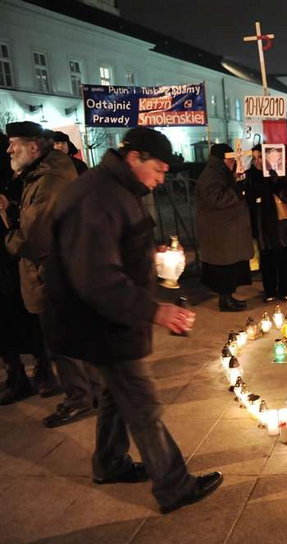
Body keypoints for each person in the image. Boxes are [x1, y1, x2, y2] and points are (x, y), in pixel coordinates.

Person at [44, 127, 223, 514]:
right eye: (158, 170)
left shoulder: (115, 189)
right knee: (142, 404)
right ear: (133, 158)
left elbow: (115, 246)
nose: (161, 180)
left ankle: (110, 463)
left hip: (104, 319)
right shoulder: (98, 197)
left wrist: (145, 252)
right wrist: (156, 310)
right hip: (99, 321)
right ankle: (175, 487)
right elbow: (96, 276)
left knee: (115, 393)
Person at [3, 121, 103, 425]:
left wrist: (8, 231)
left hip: (52, 275)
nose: (9, 150)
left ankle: (79, 399)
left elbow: (33, 237)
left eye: (14, 144)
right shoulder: (45, 174)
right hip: (58, 272)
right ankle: (94, 393)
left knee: (61, 342)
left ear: (33, 147)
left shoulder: (49, 180)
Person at [0, 132, 52, 405]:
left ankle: (42, 369)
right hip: (9, 248)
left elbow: (27, 206)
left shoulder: (11, 160)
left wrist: (9, 210)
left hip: (14, 252)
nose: (10, 149)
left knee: (26, 315)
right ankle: (14, 373)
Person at [196, 143, 253, 311]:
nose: (234, 162)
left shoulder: (220, 172)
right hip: (220, 231)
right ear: (223, 159)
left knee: (230, 266)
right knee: (224, 268)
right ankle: (225, 299)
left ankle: (229, 297)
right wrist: (237, 191)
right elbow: (216, 199)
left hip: (226, 229)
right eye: (231, 159)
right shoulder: (212, 175)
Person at [246, 144, 287, 302]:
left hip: (283, 224)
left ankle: (285, 290)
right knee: (266, 257)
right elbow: (249, 198)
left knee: (285, 256)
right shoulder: (250, 175)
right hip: (263, 223)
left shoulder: (282, 172)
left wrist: (274, 179)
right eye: (254, 158)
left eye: (260, 157)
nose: (257, 161)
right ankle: (270, 291)